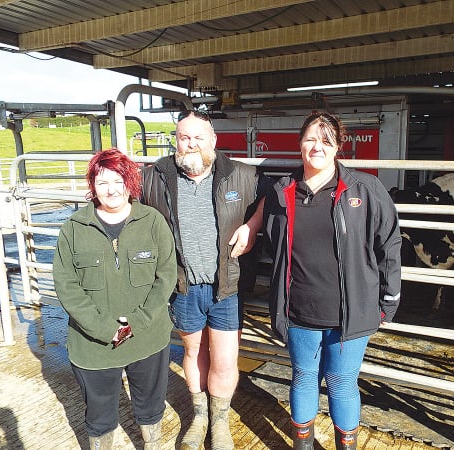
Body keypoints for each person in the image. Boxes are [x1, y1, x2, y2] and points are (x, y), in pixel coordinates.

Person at [262, 112, 402, 450]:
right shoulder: (282, 191)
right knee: (304, 377)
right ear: (299, 144)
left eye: (326, 140)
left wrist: (389, 299)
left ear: (338, 146)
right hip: (299, 312)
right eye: (311, 138)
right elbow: (270, 240)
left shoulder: (365, 188)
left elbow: (390, 244)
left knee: (342, 382)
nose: (317, 146)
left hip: (350, 313)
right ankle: (303, 445)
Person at [141, 109, 267, 450]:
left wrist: (252, 225)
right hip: (182, 285)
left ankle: (220, 423)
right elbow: (129, 210)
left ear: (213, 140)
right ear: (176, 140)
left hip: (226, 286)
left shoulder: (241, 175)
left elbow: (268, 199)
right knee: (194, 351)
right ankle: (198, 416)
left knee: (225, 358)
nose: (191, 143)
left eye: (199, 137)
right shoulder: (156, 176)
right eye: (184, 137)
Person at [53, 148, 178, 450]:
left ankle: (153, 444)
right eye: (102, 182)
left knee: (150, 405)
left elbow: (166, 277)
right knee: (99, 415)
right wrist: (102, 328)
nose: (111, 190)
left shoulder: (153, 222)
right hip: (93, 345)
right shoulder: (73, 229)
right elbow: (66, 285)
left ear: (130, 182)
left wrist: (138, 320)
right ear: (92, 186)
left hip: (147, 337)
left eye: (118, 180)